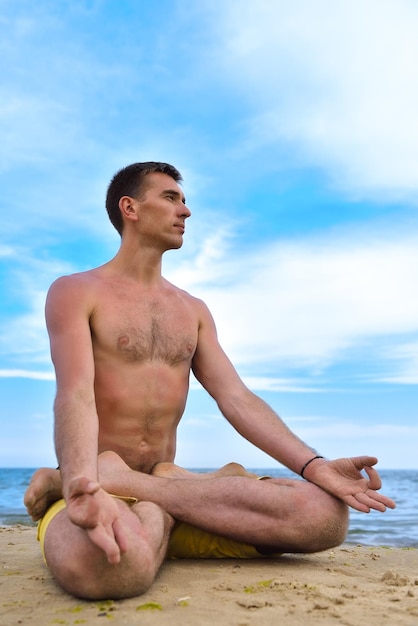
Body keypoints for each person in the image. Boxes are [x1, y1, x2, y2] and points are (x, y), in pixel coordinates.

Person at [24, 162, 395, 600]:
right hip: (93, 485)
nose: (186, 211)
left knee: (326, 517)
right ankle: (93, 486)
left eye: (183, 199)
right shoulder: (75, 291)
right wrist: (82, 483)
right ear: (130, 208)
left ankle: (141, 491)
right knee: (108, 571)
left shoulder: (193, 309)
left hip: (171, 492)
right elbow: (75, 393)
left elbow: (235, 397)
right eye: (170, 198)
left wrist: (315, 466)